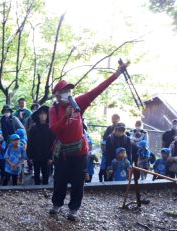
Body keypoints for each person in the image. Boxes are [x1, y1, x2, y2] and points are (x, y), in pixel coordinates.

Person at [49, 62, 129, 221]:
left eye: (69, 90)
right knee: (60, 180)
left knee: (78, 181)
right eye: (64, 91)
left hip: (80, 151)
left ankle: (73, 209)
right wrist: (65, 117)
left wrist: (116, 74)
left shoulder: (78, 102)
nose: (68, 93)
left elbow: (97, 90)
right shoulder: (54, 109)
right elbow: (54, 130)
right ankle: (56, 204)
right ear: (57, 95)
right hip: (63, 152)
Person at [27, 105, 55, 185]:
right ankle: (36, 190)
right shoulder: (33, 128)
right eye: (41, 114)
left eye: (44, 114)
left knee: (46, 174)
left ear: (47, 115)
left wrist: (51, 157)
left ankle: (45, 190)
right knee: (36, 174)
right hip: (35, 156)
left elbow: (53, 144)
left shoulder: (50, 128)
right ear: (38, 115)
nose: (42, 116)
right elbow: (30, 143)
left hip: (47, 156)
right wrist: (30, 157)